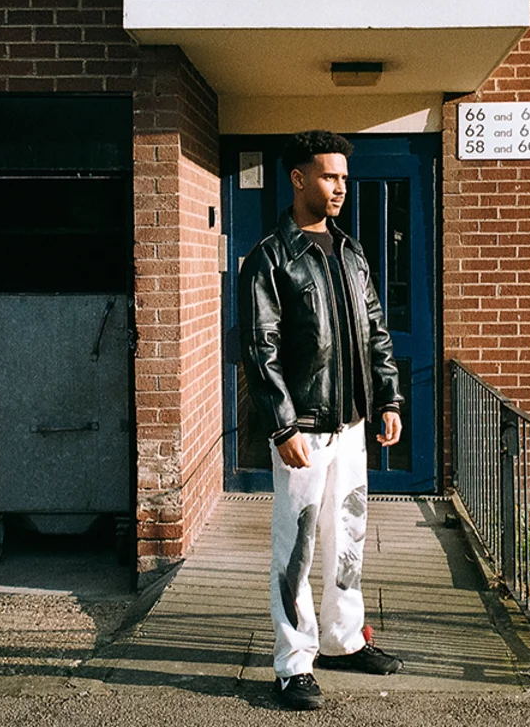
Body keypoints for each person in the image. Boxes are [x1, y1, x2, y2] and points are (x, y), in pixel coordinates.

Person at [238, 130, 405, 711]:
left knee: (348, 538)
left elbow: (375, 332)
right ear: (299, 179)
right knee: (297, 547)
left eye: (343, 177)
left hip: (353, 424)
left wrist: (388, 400)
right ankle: (292, 663)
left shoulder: (351, 252)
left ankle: (341, 639)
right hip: (304, 428)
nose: (340, 187)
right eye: (329, 176)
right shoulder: (271, 258)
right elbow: (261, 350)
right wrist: (282, 426)